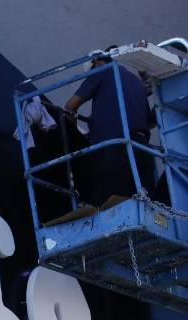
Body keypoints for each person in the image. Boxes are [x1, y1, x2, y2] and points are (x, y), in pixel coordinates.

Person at [64, 47, 156, 207]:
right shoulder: (135, 81)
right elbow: (149, 123)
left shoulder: (102, 70)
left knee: (110, 206)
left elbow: (70, 106)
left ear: (97, 62)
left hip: (113, 149)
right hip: (142, 149)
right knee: (144, 207)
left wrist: (74, 127)